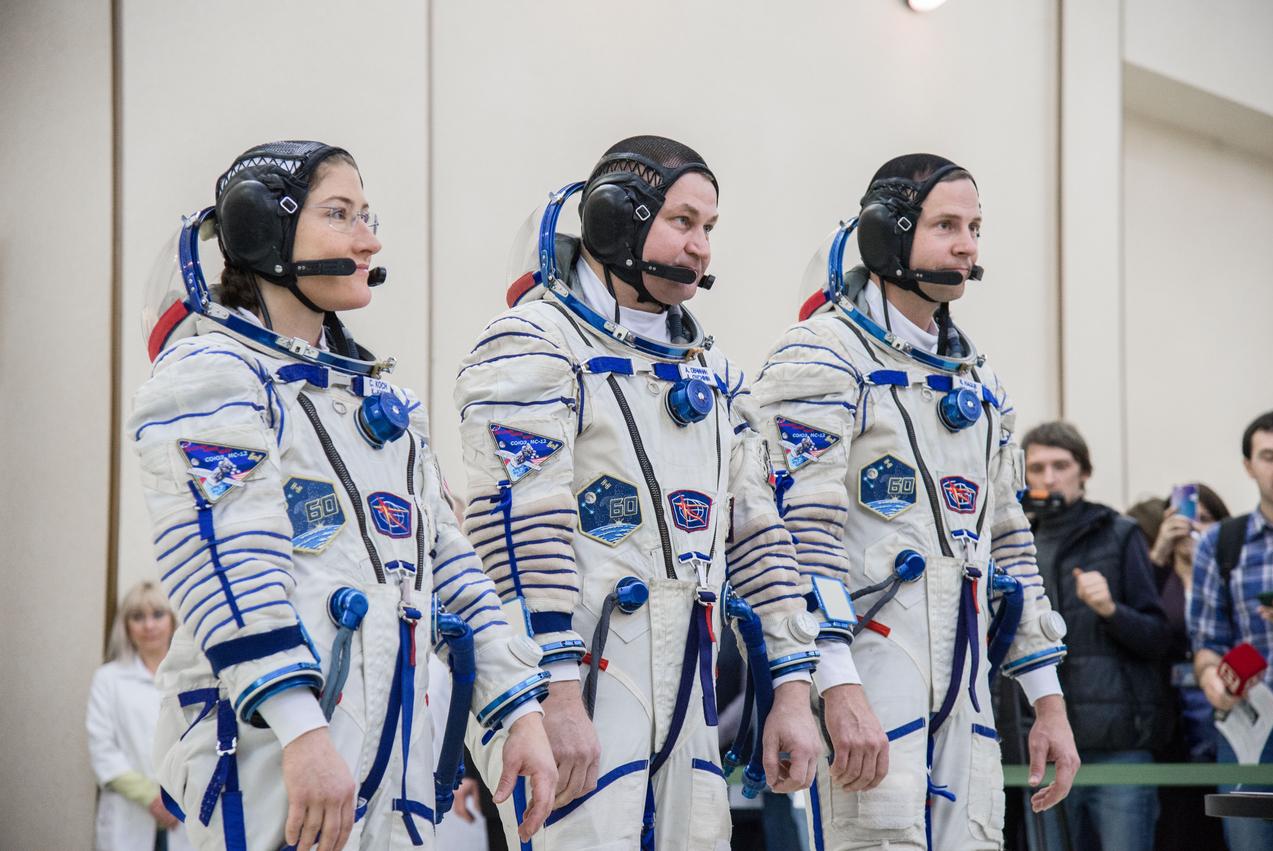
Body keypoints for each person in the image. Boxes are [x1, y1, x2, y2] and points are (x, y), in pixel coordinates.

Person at [131, 140, 557, 851]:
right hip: (272, 754)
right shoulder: (210, 376)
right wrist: (301, 730)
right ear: (264, 232)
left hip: (392, 761)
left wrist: (518, 709)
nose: (369, 239)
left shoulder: (384, 407)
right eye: (340, 214)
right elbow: (225, 564)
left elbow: (448, 565)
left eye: (367, 215)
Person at [453, 135, 823, 848]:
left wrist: (791, 688)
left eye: (708, 228)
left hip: (689, 689)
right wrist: (554, 694)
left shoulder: (712, 371)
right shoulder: (532, 345)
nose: (700, 247)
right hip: (580, 683)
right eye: (682, 222)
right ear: (616, 218)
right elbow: (515, 537)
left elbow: (758, 535)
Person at [751, 153, 1079, 850]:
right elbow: (797, 539)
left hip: (965, 681)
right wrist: (836, 685)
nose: (966, 246)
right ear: (887, 233)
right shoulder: (821, 358)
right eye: (945, 226)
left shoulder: (979, 383)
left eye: (975, 228)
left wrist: (1047, 700)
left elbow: (1009, 542)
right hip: (866, 672)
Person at [1006, 422, 1171, 851]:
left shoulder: (1120, 532)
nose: (1049, 478)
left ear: (1084, 471)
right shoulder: (1018, 543)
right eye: (1037, 467)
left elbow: (1159, 638)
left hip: (1118, 744)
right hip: (1043, 741)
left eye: (1061, 465)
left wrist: (1111, 610)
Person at [1188, 409, 1273, 850]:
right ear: (1249, 465)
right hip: (1249, 726)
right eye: (1269, 456)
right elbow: (1207, 641)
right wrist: (1211, 678)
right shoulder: (1222, 542)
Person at [1129, 485, 1231, 851]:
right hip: (1170, 709)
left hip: (1224, 703)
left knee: (1225, 810)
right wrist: (1158, 553)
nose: (1193, 527)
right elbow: (1138, 620)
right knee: (1177, 818)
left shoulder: (1227, 573)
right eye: (1186, 519)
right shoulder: (1158, 574)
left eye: (1205, 519)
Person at [87, 580, 194, 851]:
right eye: (138, 617)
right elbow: (102, 751)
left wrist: (176, 798)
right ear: (126, 626)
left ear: (172, 620)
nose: (149, 625)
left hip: (188, 815)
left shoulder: (193, 677)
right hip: (129, 818)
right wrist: (152, 798)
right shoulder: (108, 679)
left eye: (158, 614)